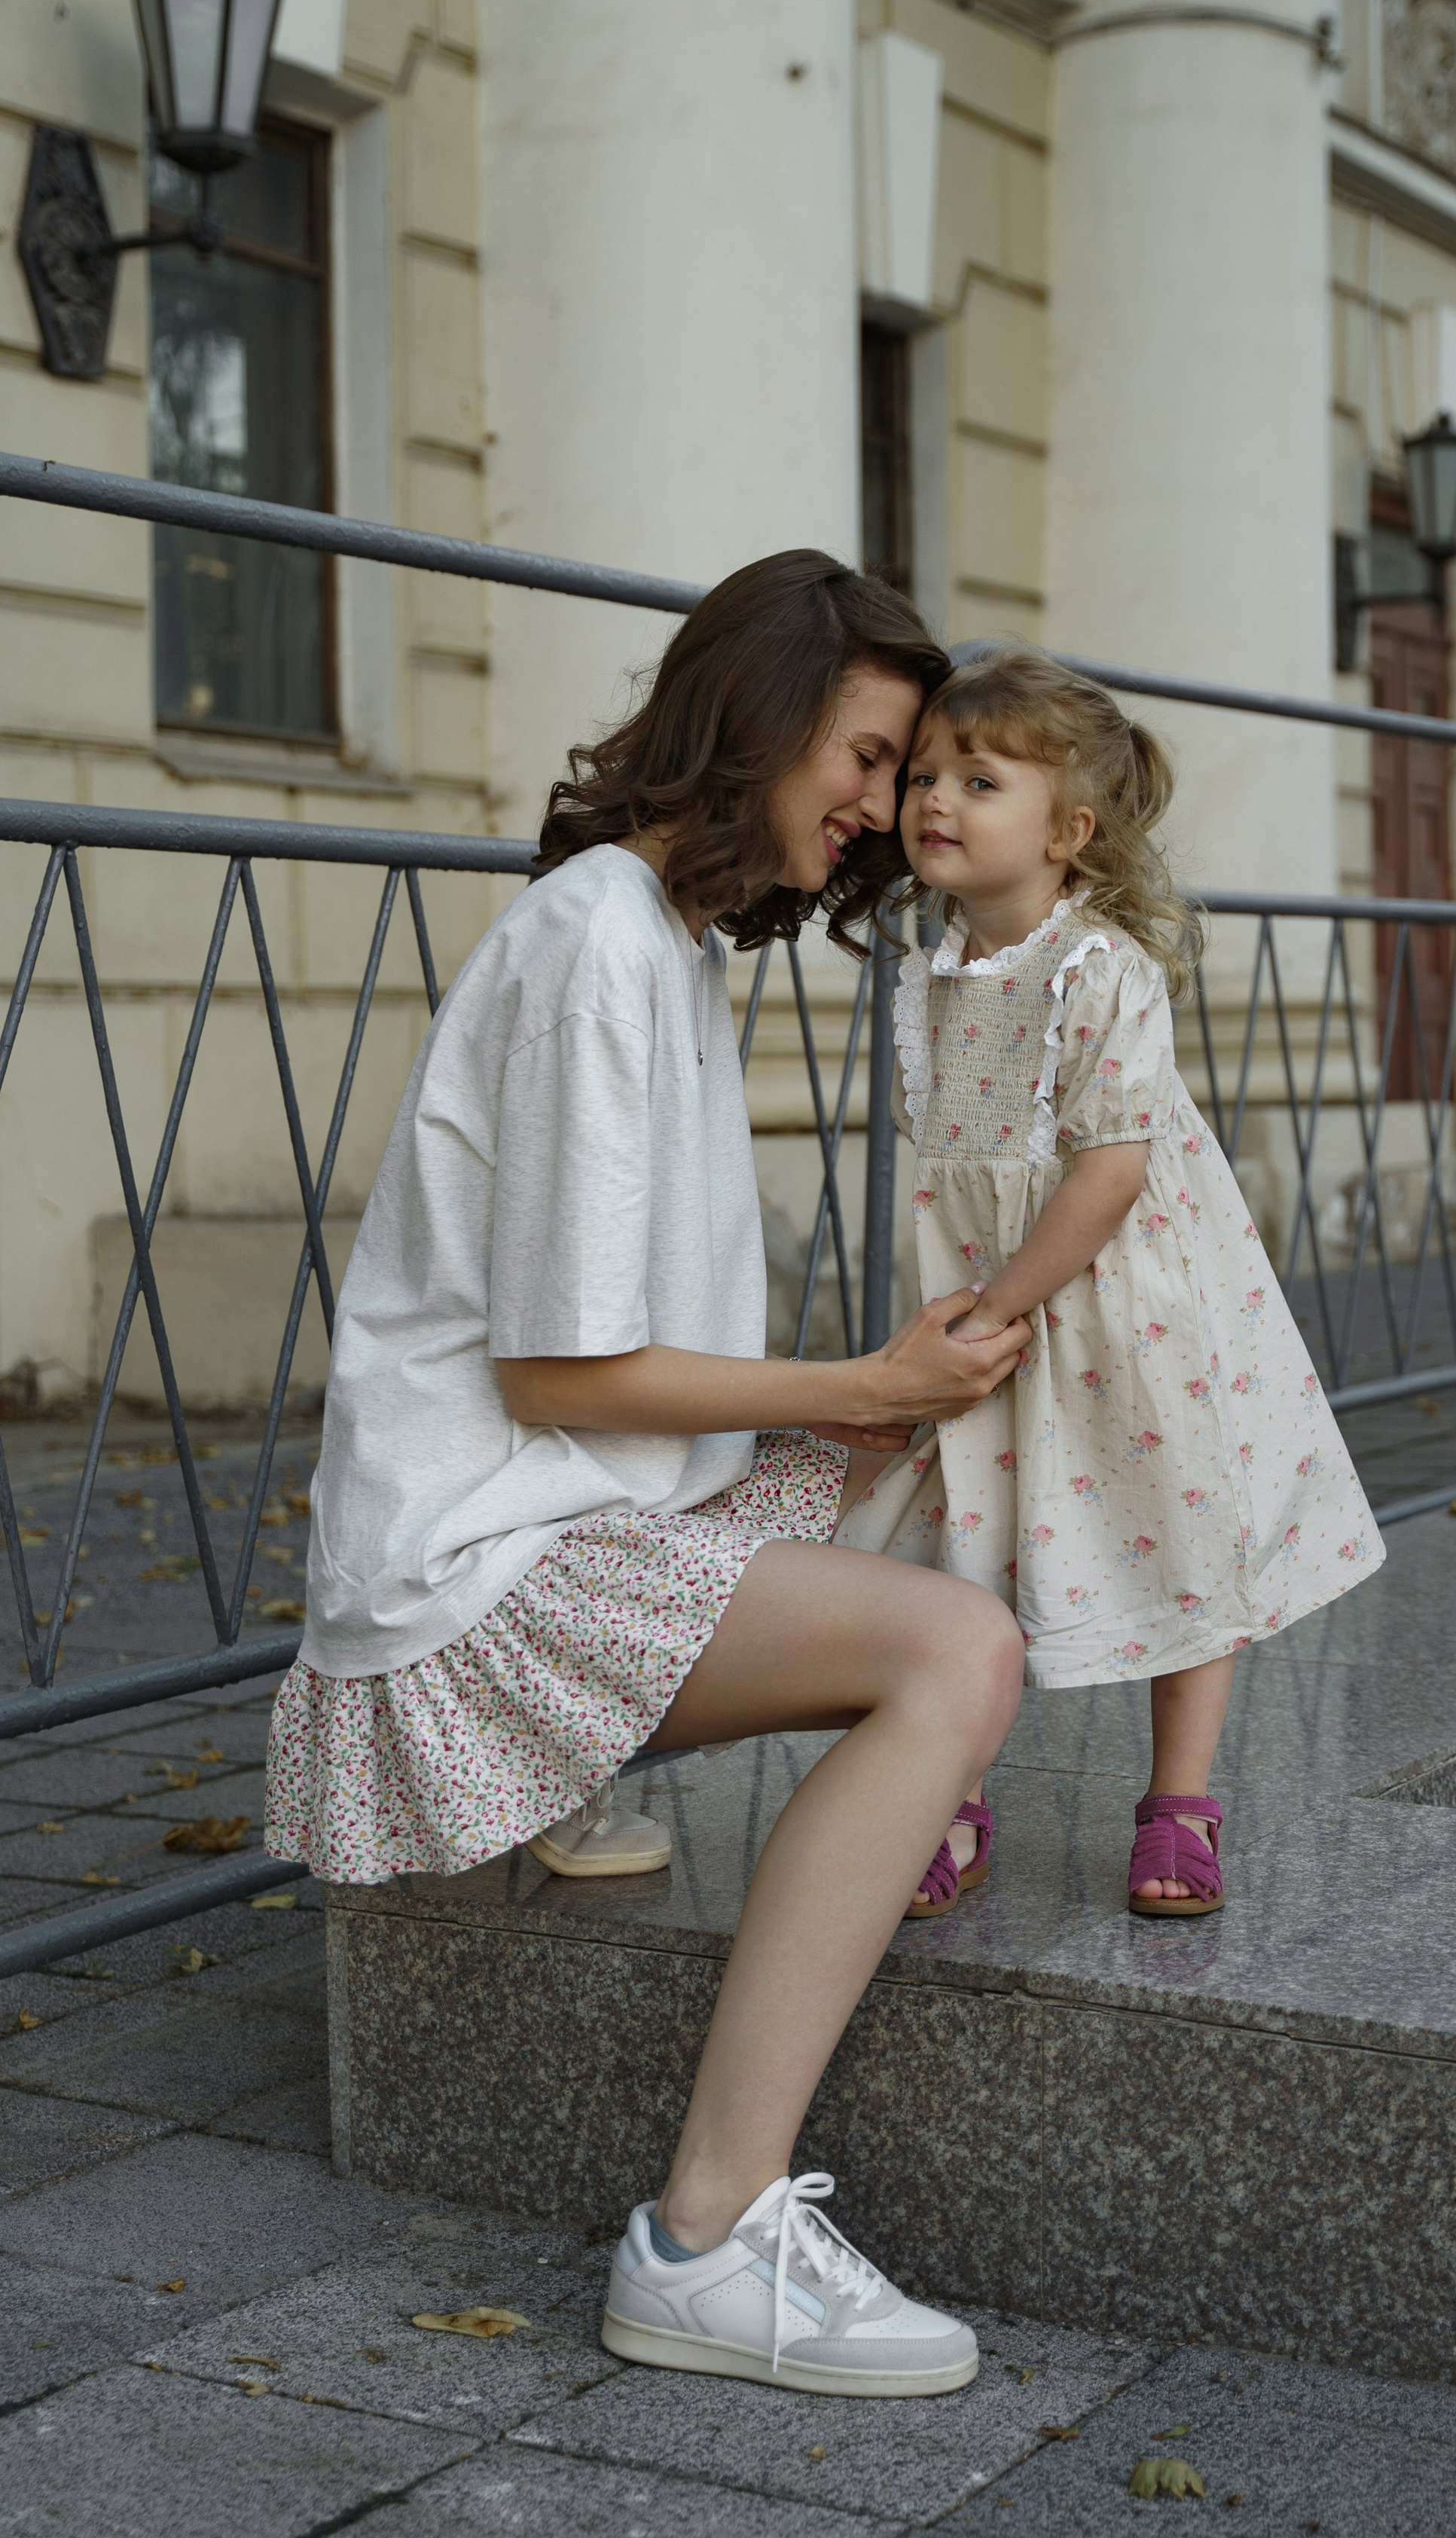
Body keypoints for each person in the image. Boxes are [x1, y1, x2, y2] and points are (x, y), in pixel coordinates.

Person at [264, 554, 1033, 2399]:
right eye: (860, 753)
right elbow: (554, 1366)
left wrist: (852, 1408)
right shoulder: (601, 940)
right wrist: (852, 1375)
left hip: (546, 1512)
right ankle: (704, 2235)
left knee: (880, 1484)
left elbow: (596, 1368)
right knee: (955, 1653)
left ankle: (573, 1777)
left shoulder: (660, 940)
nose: (874, 808)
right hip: (470, 1564)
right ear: (752, 710)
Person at [838, 650, 1384, 1918]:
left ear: (1070, 830)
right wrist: (978, 1307)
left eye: (981, 779)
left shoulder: (1101, 972)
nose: (935, 799)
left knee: (1176, 1523)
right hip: (1007, 1303)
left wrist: (994, 1305)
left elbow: (1108, 1177)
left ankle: (1180, 1801)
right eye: (923, 774)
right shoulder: (934, 977)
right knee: (967, 1534)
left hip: (1133, 1313)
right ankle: (950, 1796)